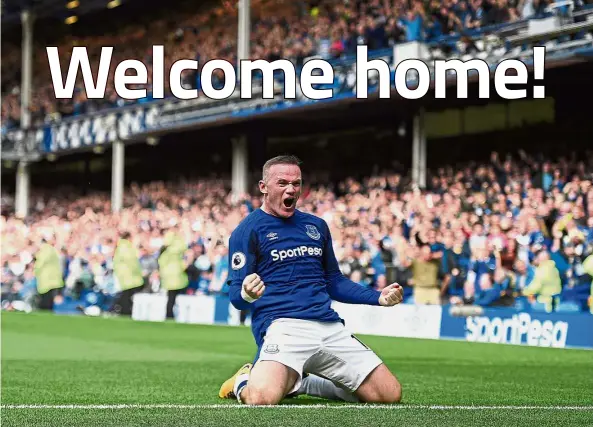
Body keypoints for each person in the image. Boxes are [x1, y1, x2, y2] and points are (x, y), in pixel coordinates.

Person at [218, 155, 404, 406]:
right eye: (282, 183)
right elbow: (235, 298)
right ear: (264, 187)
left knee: (389, 395)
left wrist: (378, 297)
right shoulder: (246, 231)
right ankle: (243, 380)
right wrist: (248, 294)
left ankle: (303, 383)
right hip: (283, 326)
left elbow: (334, 281)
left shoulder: (316, 226)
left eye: (296, 183)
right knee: (261, 399)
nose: (291, 189)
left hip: (328, 326)